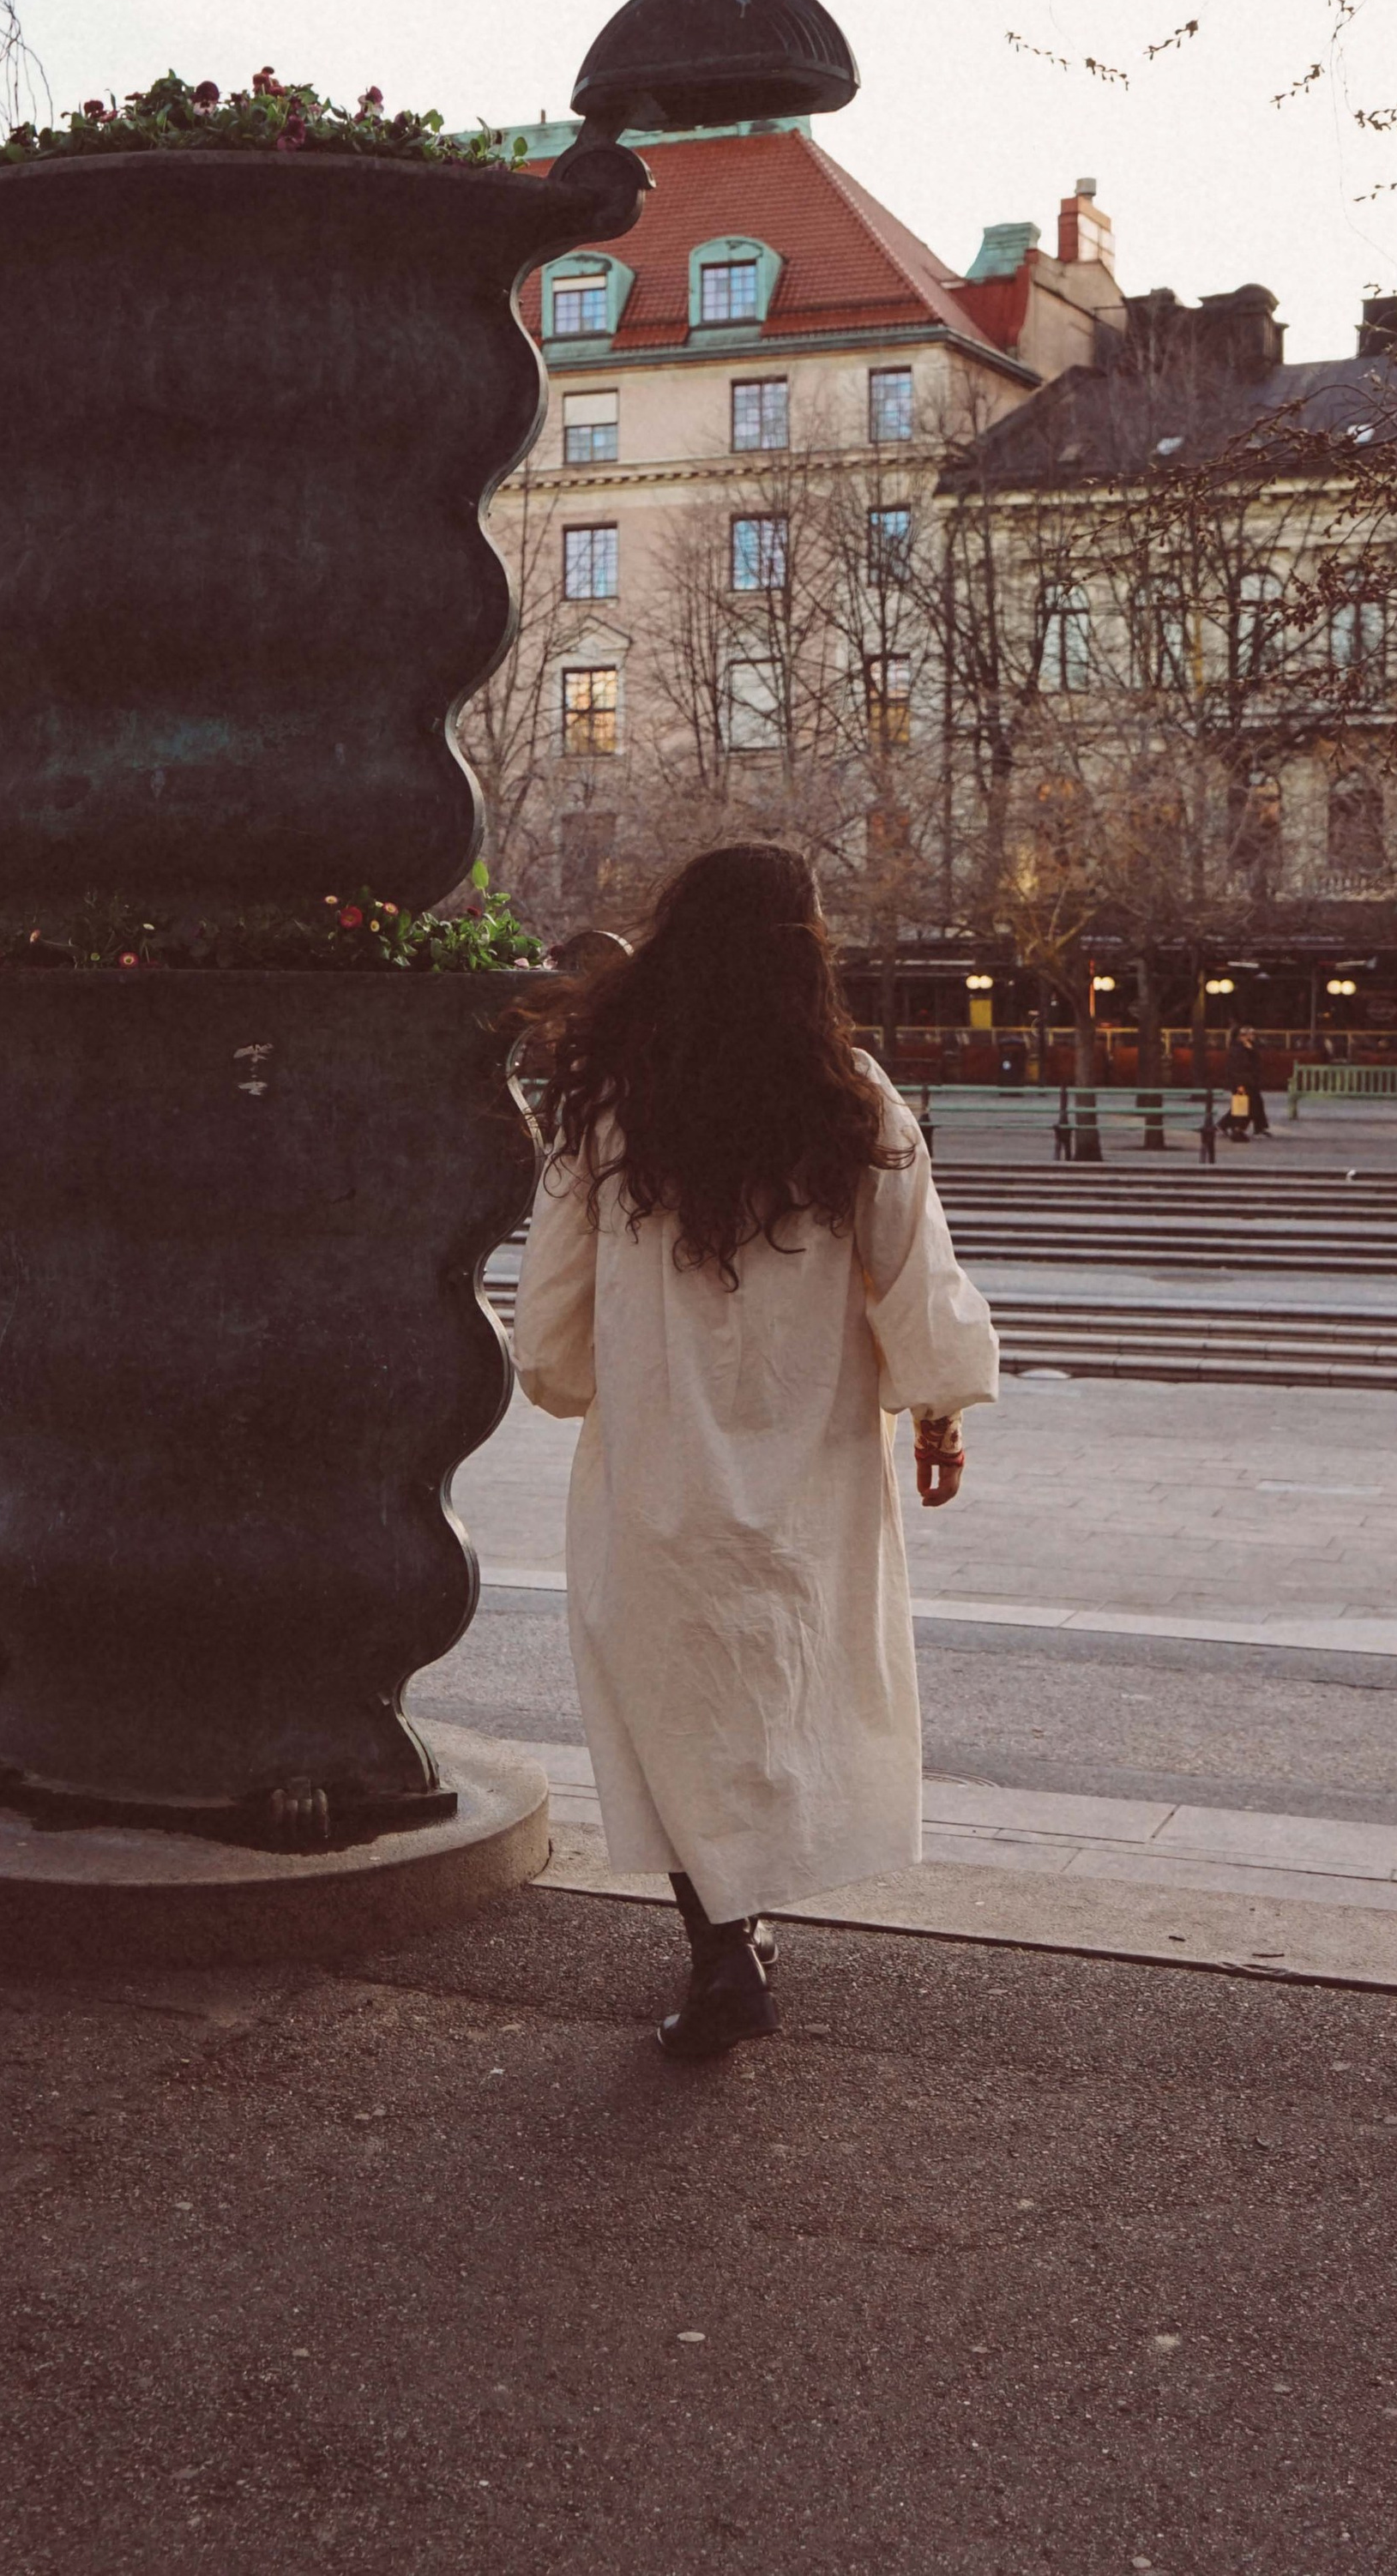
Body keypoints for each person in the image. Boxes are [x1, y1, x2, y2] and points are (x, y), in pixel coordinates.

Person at [514, 843, 998, 2061]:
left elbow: (549, 1327)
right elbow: (916, 1282)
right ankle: (748, 1920)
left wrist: (577, 1384)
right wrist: (938, 1412)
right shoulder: (855, 1102)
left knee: (667, 1701)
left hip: (658, 1460)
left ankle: (724, 1943)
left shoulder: (612, 1106)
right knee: (782, 1683)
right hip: (812, 1464)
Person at [1230, 1023, 1270, 1137]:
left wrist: (1251, 1050)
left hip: (1251, 1081)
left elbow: (1256, 1062)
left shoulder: (1248, 1047)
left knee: (1253, 1104)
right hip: (1243, 1082)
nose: (1247, 1036)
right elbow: (1236, 1068)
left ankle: (1257, 1127)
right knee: (1246, 1106)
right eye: (1244, 1034)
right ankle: (1238, 1129)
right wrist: (1239, 1084)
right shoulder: (1237, 1049)